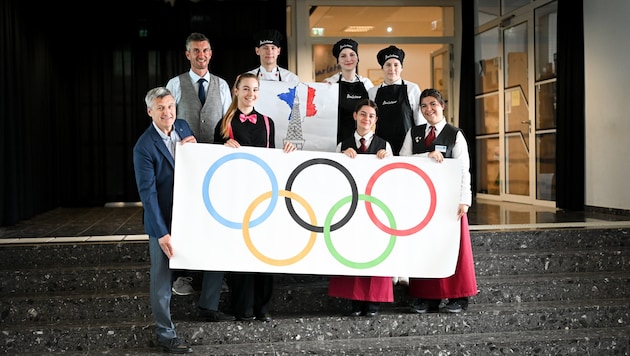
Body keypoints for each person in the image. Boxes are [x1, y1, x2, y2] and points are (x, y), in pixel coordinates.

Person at [133, 87, 234, 354]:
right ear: (150, 112)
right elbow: (148, 195)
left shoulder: (182, 125)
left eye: (170, 106)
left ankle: (208, 306)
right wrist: (162, 233)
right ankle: (166, 336)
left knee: (215, 255)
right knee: (162, 278)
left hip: (193, 211)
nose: (167, 112)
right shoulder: (143, 147)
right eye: (160, 108)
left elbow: (197, 161)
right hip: (164, 219)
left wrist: (205, 148)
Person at [213, 73, 297, 322]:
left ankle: (262, 307)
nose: (251, 94)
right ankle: (243, 308)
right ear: (236, 90)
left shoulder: (268, 122)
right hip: (237, 196)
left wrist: (288, 151)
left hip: (263, 195)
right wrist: (222, 149)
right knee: (241, 253)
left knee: (263, 251)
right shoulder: (224, 123)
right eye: (246, 89)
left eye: (255, 89)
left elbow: (271, 158)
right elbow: (214, 165)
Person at [399, 88, 477, 314]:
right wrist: (426, 156)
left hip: (449, 202)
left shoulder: (455, 134)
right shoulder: (413, 134)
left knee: (454, 249)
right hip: (421, 202)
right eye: (423, 106)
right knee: (424, 248)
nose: (428, 109)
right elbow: (402, 162)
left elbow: (464, 169)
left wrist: (465, 199)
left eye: (433, 104)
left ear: (443, 106)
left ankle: (459, 297)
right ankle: (426, 297)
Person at [166, 32, 232, 296]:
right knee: (185, 220)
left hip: (216, 166)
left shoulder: (223, 85)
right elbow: (167, 121)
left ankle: (215, 277)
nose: (201, 55)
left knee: (215, 220)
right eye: (195, 51)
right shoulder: (175, 83)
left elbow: (228, 123)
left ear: (211, 53)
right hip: (185, 166)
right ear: (187, 55)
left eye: (205, 50)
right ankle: (183, 276)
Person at [327, 99, 394, 317]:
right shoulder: (342, 145)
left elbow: (393, 178)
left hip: (376, 209)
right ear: (355, 116)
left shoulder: (385, 146)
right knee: (353, 252)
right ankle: (355, 302)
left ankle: (373, 302)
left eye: (371, 116)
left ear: (376, 120)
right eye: (363, 114)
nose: (367, 119)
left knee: (375, 252)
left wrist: (385, 161)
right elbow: (335, 178)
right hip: (351, 208)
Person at [367, 45, 425, 156]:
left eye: (396, 65)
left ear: (401, 67)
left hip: (408, 146)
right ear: (382, 68)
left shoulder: (412, 89)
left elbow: (420, 121)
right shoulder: (373, 92)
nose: (392, 69)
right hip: (381, 148)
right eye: (388, 65)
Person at [323, 38, 374, 144]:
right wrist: (323, 90)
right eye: (343, 56)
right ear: (338, 60)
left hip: (361, 139)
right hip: (335, 138)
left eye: (352, 54)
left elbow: (373, 112)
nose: (348, 59)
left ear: (357, 58)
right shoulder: (330, 83)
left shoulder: (366, 83)